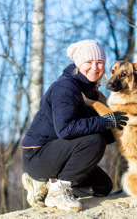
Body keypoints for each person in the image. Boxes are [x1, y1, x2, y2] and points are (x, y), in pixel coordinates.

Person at [21, 40, 128, 212]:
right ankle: (58, 192)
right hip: (38, 155)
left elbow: (98, 130)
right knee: (95, 140)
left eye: (99, 62)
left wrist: (122, 127)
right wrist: (105, 121)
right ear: (78, 64)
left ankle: (43, 186)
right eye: (89, 62)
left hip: (61, 153)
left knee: (103, 187)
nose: (95, 67)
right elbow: (66, 129)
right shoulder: (65, 87)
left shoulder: (90, 90)